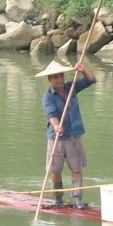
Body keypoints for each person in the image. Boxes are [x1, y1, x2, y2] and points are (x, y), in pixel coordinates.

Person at [37, 58, 96, 208]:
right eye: (55, 77)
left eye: (61, 76)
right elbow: (52, 116)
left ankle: (77, 200)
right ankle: (58, 200)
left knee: (77, 168)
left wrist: (83, 70)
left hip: (74, 134)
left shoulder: (71, 87)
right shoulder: (48, 97)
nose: (59, 79)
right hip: (56, 137)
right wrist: (57, 126)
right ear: (50, 79)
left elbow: (91, 80)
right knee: (55, 170)